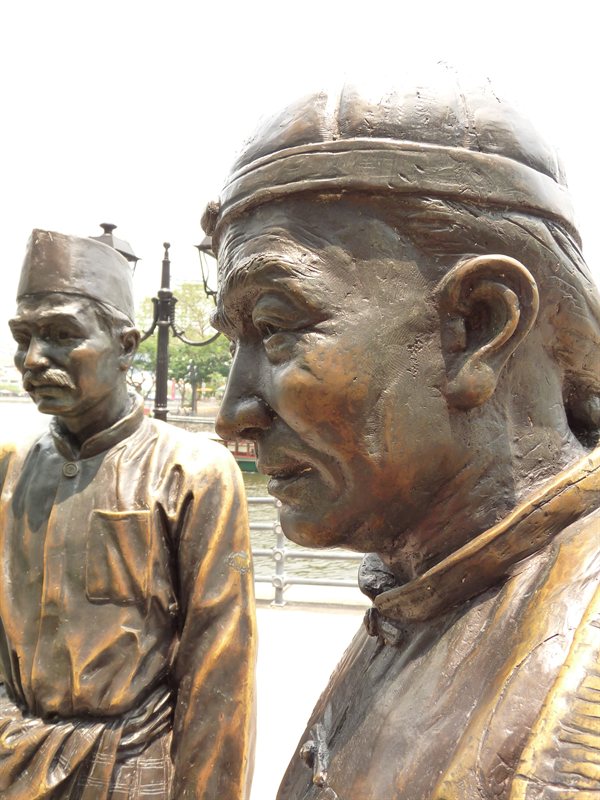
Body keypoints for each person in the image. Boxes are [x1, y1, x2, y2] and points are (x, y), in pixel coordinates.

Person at [205, 75, 600, 799]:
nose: (233, 413)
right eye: (234, 339)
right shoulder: (418, 595)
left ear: (478, 325)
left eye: (276, 327)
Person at [0, 229, 256, 799]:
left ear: (126, 344)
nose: (35, 359)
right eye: (24, 338)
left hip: (132, 771)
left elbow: (220, 668)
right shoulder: (11, 468)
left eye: (63, 336)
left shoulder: (193, 472)